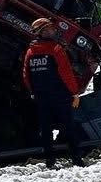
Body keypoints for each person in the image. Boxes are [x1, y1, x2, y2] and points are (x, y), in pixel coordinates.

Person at [22, 18, 86, 167]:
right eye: (50, 29)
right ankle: (76, 158)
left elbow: (26, 76)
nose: (54, 30)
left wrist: (34, 92)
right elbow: (66, 73)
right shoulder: (56, 49)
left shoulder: (30, 52)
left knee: (46, 129)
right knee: (69, 126)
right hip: (60, 97)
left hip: (41, 98)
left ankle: (50, 160)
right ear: (42, 32)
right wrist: (75, 93)